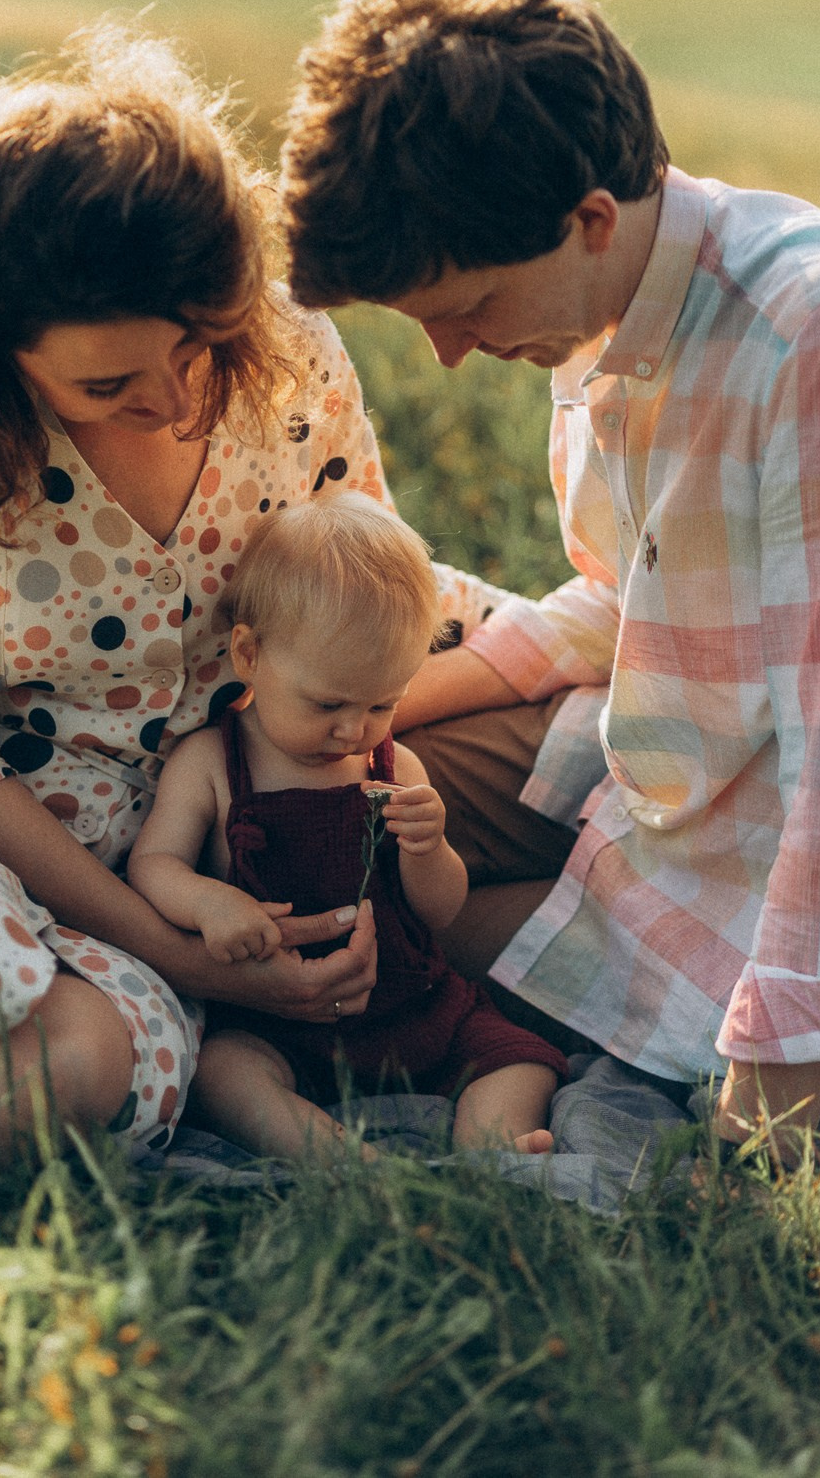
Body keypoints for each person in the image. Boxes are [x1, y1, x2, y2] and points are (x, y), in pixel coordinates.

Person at [0, 20, 504, 1169]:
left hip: (197, 847)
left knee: (86, 1063)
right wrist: (171, 947)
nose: (174, 396)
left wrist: (581, 642)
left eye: (198, 345)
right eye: (108, 381)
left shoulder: (285, 353)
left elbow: (366, 571)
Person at [278, 0, 820, 1162]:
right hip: (656, 765)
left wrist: (779, 1069)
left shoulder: (801, 342)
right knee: (297, 807)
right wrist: (382, 713)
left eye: (467, 308)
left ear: (588, 217)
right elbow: (622, 601)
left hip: (777, 837)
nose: (452, 354)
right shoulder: (598, 312)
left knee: (399, 938)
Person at [127, 495, 567, 1163]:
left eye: (382, 703)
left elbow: (439, 911)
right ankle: (338, 1158)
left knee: (520, 1058)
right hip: (276, 1021)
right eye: (327, 702)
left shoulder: (394, 764)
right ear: (249, 654)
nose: (352, 729)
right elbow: (154, 863)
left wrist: (429, 847)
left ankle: (492, 1146)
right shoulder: (214, 762)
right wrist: (209, 902)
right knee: (223, 1073)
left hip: (412, 1004)